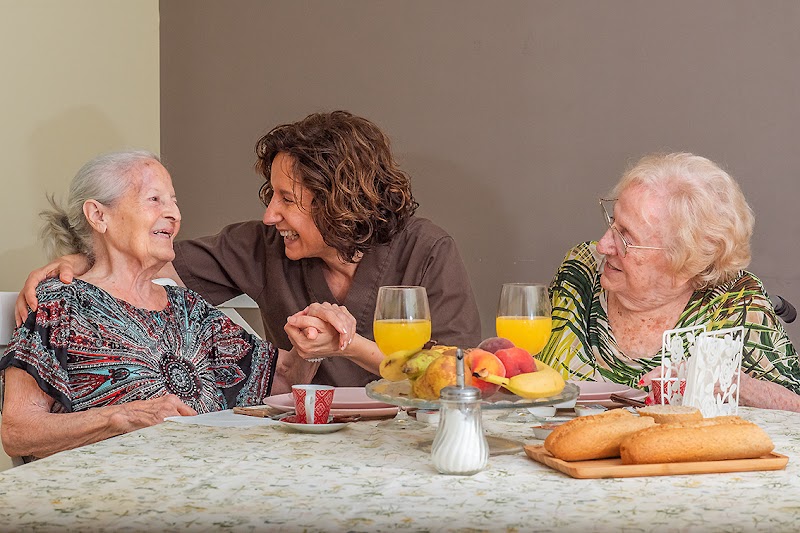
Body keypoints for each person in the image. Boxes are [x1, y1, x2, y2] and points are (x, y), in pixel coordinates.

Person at [16, 111, 482, 389]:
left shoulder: (427, 251)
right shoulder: (261, 247)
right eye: (271, 196)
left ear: (338, 204)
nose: (270, 216)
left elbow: (457, 379)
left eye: (288, 200)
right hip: (301, 447)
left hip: (407, 445)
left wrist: (352, 347)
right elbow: (145, 261)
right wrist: (83, 259)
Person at [0, 151, 345, 459]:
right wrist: (119, 418)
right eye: (154, 199)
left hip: (211, 485)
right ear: (98, 215)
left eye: (174, 201)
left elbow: (283, 381)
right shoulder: (60, 306)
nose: (174, 214)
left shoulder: (188, 308)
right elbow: (18, 432)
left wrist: (311, 345)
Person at [539, 152, 800, 411]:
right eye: (613, 222)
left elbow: (795, 404)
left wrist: (734, 384)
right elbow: (525, 370)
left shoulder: (735, 302)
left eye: (626, 237)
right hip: (559, 447)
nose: (604, 245)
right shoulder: (580, 271)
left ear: (686, 259)